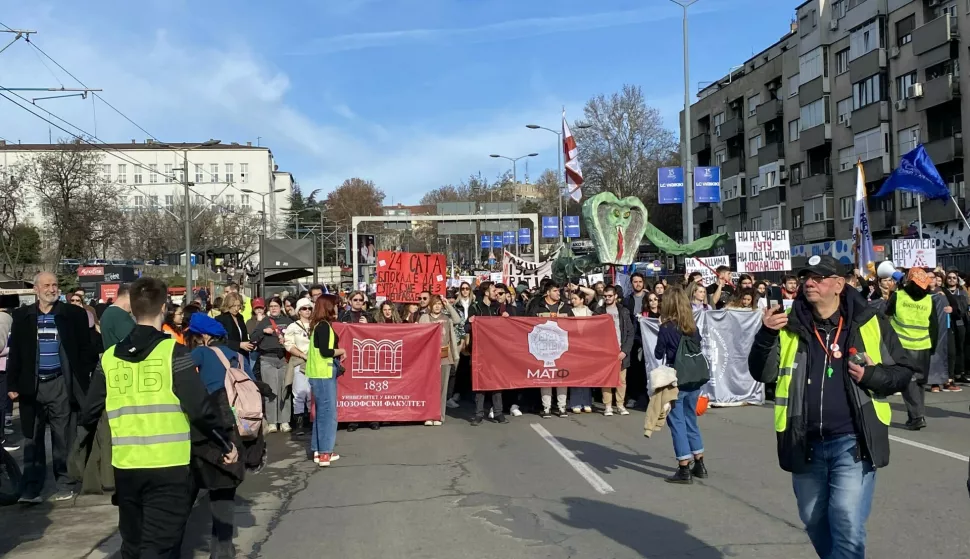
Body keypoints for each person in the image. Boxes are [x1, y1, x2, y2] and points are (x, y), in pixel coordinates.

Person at [748, 255, 914, 557]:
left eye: (818, 277)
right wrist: (766, 335)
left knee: (847, 521)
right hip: (804, 440)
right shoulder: (789, 324)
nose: (809, 283)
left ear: (838, 284)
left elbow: (903, 371)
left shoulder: (869, 320)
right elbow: (762, 373)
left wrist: (873, 375)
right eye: (806, 278)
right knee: (814, 521)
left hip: (852, 442)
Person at [79, 277, 237, 557]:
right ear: (163, 307)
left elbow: (89, 412)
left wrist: (79, 455)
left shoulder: (110, 358)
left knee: (133, 544)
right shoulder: (172, 353)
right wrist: (224, 443)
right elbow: (199, 407)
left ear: (133, 309)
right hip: (169, 465)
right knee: (160, 546)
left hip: (126, 465)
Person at [7, 271, 94, 503]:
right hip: (31, 386)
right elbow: (15, 352)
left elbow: (87, 349)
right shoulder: (22, 316)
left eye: (55, 284)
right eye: (46, 285)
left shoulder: (73, 314)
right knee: (31, 438)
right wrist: (12, 383)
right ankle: (31, 488)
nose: (52, 289)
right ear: (36, 289)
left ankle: (65, 482)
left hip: (61, 384)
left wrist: (81, 376)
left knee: (63, 437)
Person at [184, 313, 251, 557]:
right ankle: (222, 551)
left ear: (202, 337)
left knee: (187, 493)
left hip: (207, 428)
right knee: (223, 495)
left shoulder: (200, 353)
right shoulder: (241, 357)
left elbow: (182, 382)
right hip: (236, 429)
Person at [653, 285, 707, 484]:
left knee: (676, 422)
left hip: (675, 378)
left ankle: (684, 467)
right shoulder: (692, 326)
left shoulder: (666, 327)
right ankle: (699, 462)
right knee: (690, 418)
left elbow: (659, 353)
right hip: (693, 377)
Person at [884, 268, 938, 430]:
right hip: (923, 346)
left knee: (909, 382)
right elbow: (934, 326)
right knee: (918, 382)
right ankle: (916, 415)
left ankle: (917, 417)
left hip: (902, 346)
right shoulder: (929, 300)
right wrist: (932, 347)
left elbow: (886, 316)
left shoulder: (898, 296)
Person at [306, 294, 343, 466]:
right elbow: (326, 352)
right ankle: (325, 453)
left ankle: (317, 450)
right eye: (336, 305)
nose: (337, 308)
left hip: (317, 374)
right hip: (324, 373)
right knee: (328, 414)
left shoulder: (318, 325)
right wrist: (341, 351)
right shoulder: (324, 326)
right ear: (329, 307)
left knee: (321, 413)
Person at [251, 297, 293, 433]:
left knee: (284, 390)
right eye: (271, 306)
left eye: (276, 306)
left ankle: (285, 421)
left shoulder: (287, 321)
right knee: (271, 391)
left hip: (284, 359)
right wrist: (263, 331)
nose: (274, 308)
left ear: (280, 307)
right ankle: (272, 422)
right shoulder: (264, 321)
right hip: (267, 358)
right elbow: (253, 337)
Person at [418, 295, 461, 426]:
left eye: (439, 304)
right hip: (429, 357)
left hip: (444, 356)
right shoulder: (425, 317)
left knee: (442, 388)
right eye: (435, 304)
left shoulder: (446, 318)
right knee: (429, 387)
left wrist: (448, 305)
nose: (437, 306)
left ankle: (439, 416)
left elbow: (458, 320)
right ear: (430, 305)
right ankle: (428, 415)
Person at [593, 285, 634, 417]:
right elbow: (593, 333)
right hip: (605, 352)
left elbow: (630, 333)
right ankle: (608, 406)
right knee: (606, 380)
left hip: (620, 350)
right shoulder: (599, 312)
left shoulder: (624, 311)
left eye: (610, 296)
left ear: (616, 296)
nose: (607, 298)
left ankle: (620, 405)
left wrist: (625, 351)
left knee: (621, 380)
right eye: (605, 296)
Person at [468, 283, 506, 425]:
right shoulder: (476, 307)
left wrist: (505, 316)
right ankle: (478, 413)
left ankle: (498, 412)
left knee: (497, 381)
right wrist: (470, 322)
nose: (496, 292)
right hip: (480, 350)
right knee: (480, 382)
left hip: (496, 350)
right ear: (485, 292)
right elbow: (466, 328)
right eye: (493, 290)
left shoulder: (498, 307)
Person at [283, 298, 315, 433]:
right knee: (299, 393)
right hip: (299, 361)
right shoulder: (293, 327)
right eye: (304, 308)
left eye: (309, 308)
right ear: (298, 311)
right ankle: (299, 423)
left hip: (315, 362)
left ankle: (310, 421)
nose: (307, 311)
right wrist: (302, 355)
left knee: (311, 393)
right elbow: (288, 344)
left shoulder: (316, 324)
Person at [566, 290, 594, 414]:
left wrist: (578, 287)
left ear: (582, 299)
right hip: (574, 345)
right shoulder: (569, 312)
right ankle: (575, 402)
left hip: (588, 345)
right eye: (572, 299)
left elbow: (593, 293)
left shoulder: (590, 312)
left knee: (587, 375)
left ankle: (587, 402)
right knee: (576, 374)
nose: (573, 301)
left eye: (575, 298)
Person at [217, 292, 256, 375]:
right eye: (234, 306)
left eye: (238, 306)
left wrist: (250, 344)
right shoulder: (221, 319)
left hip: (243, 355)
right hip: (230, 357)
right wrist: (239, 345)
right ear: (228, 305)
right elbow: (220, 341)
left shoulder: (240, 317)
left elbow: (243, 336)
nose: (236, 308)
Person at [945, 268, 969, 384]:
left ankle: (961, 372)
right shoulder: (943, 291)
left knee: (960, 347)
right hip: (948, 323)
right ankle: (951, 373)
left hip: (959, 322)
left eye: (954, 278)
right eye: (949, 278)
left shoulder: (962, 291)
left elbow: (965, 306)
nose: (952, 280)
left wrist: (955, 308)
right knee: (951, 349)